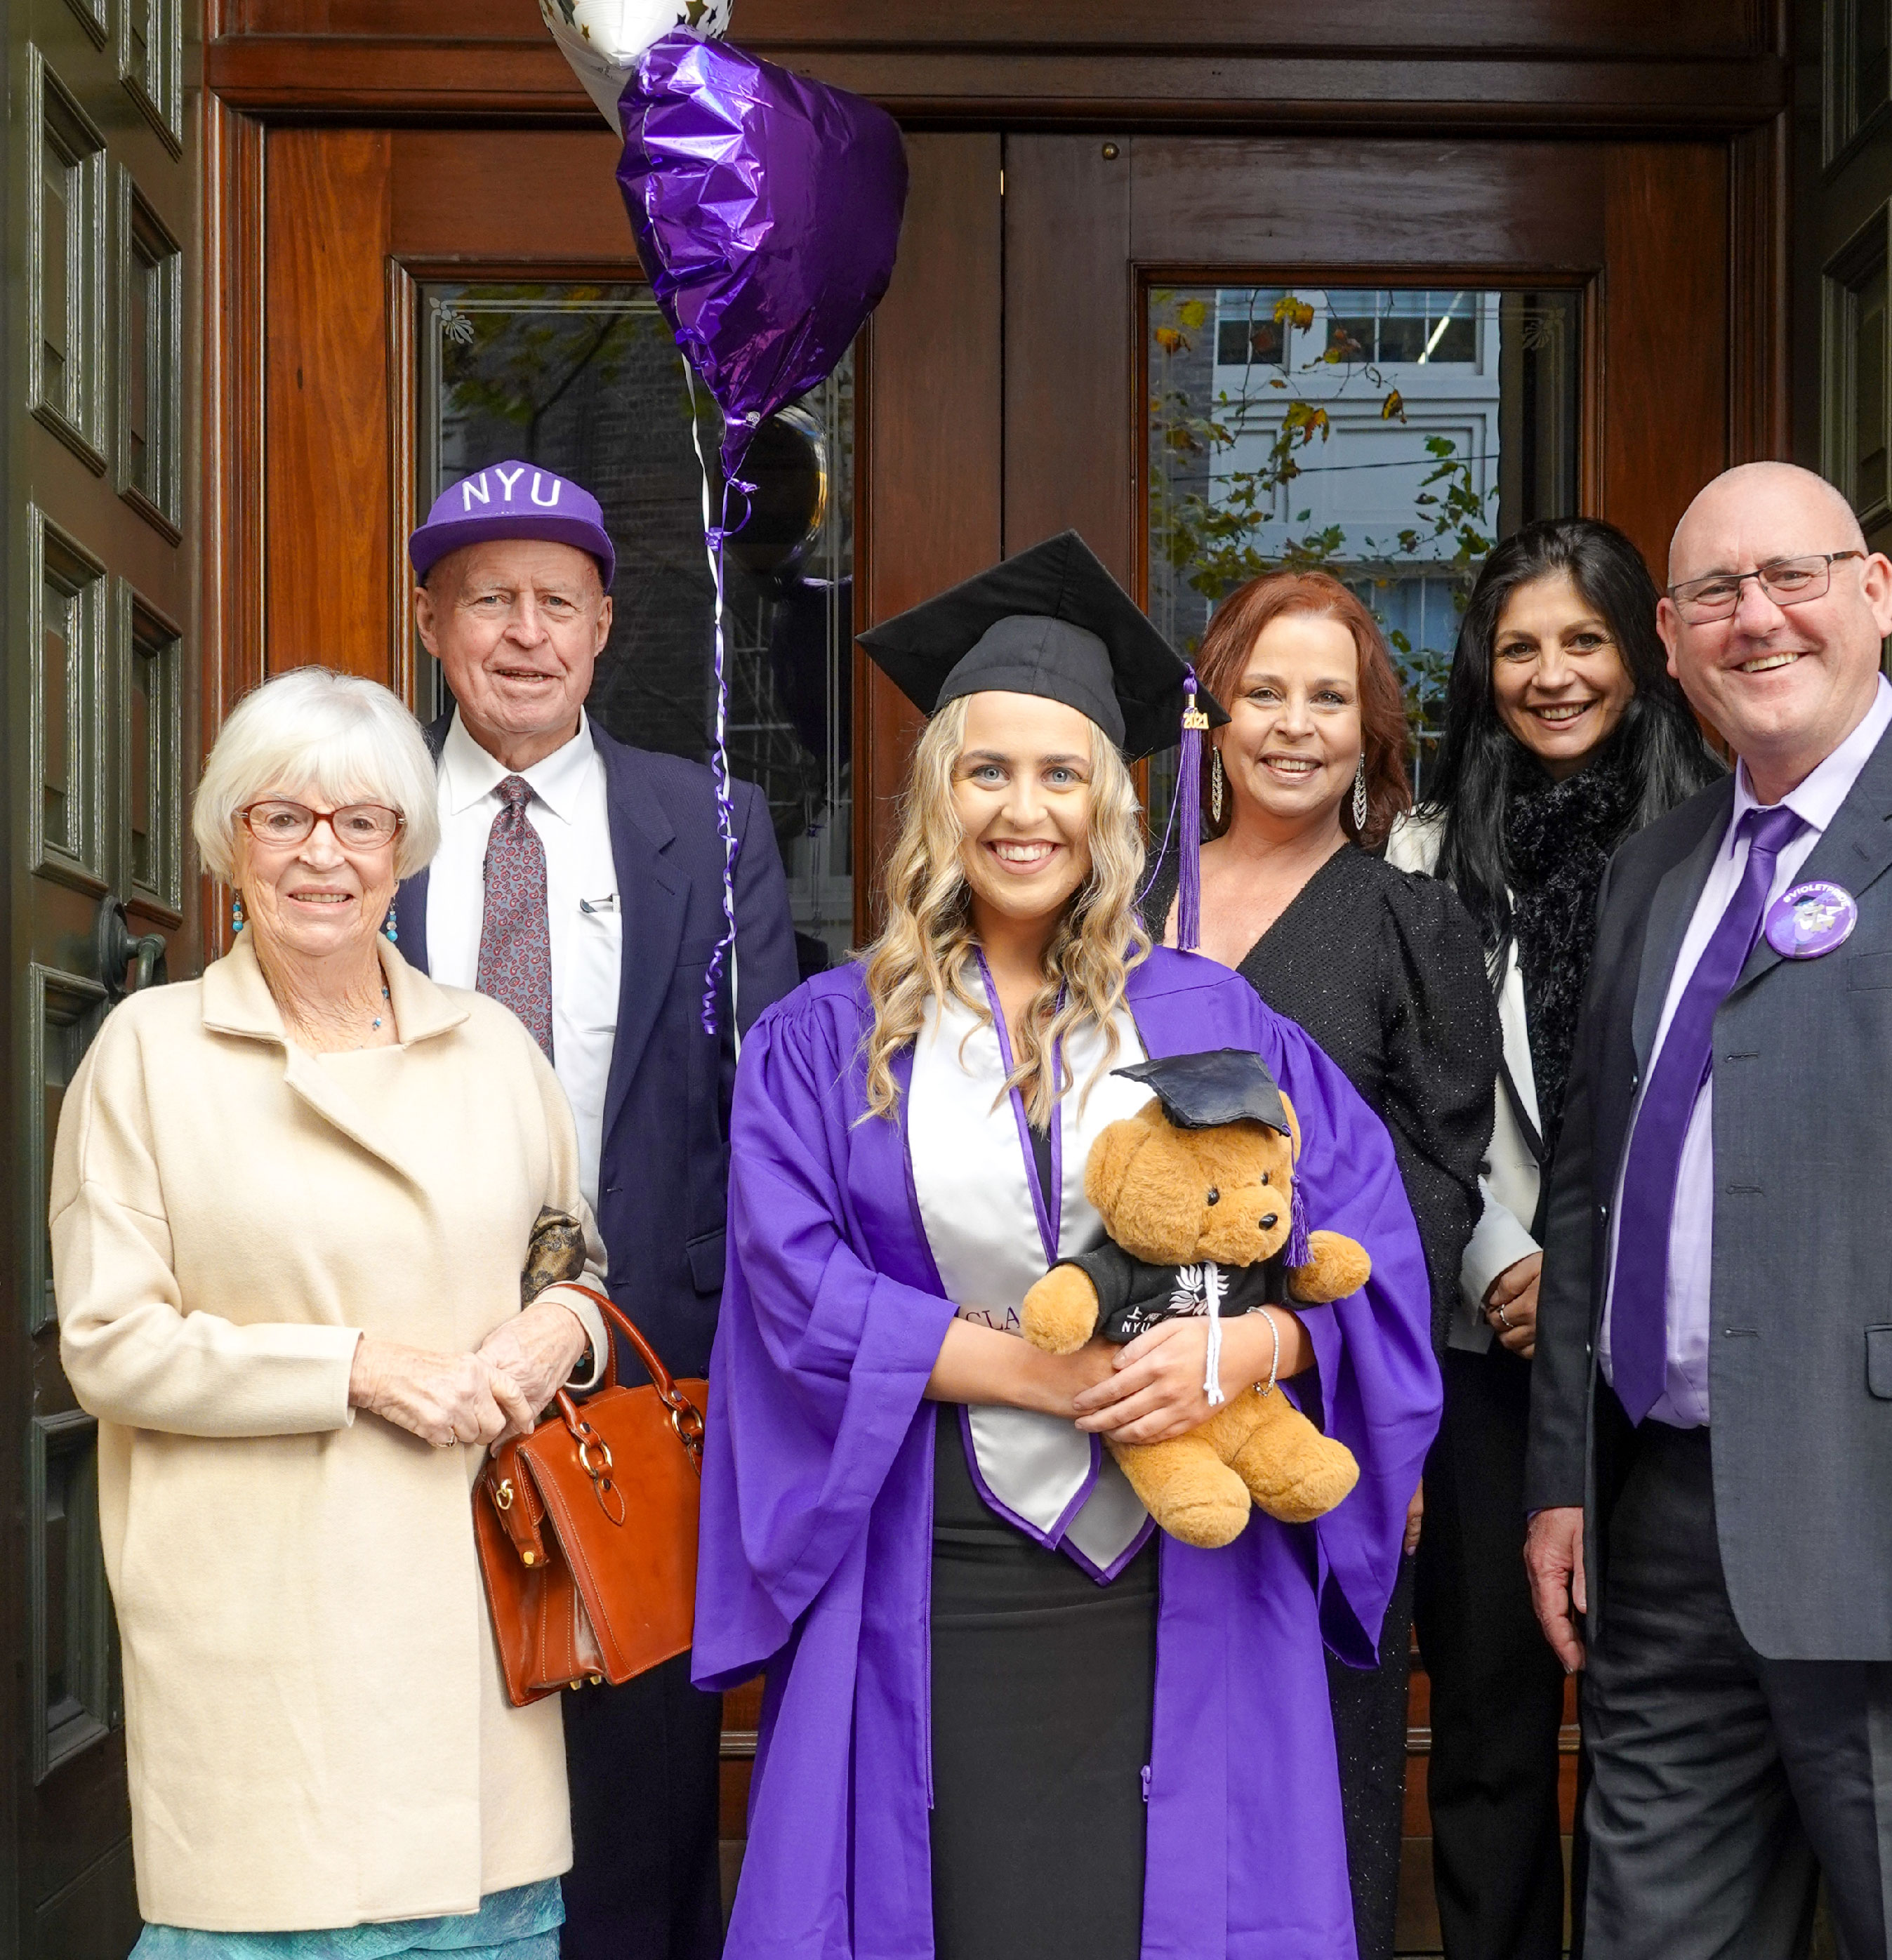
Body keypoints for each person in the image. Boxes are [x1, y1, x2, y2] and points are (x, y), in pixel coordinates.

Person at [694, 531, 1441, 1959]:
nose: (1022, 811)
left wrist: (1244, 1345)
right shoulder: (830, 1040)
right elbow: (794, 1288)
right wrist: (1042, 1377)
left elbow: (1367, 1258)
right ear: (939, 798)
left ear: (1109, 803)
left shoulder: (1219, 1021)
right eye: (987, 772)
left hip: (1184, 1570)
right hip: (932, 1560)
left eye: (1060, 776)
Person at [1524, 461, 1892, 1960]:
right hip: (1661, 1529)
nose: (1759, 619)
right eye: (1718, 594)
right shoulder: (1657, 868)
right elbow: (1591, 1188)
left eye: (1793, 575)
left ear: (1875, 593)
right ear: (1669, 639)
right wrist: (1561, 1471)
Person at [53, 668, 614, 1959]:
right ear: (226, 843)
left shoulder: (492, 1049)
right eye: (283, 818)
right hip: (256, 1629)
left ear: (404, 851)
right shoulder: (149, 1052)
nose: (324, 854)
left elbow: (573, 1265)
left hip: (471, 1638)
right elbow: (109, 1344)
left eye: (361, 823)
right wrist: (358, 1368)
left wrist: (563, 1331)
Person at [393, 461, 800, 1960]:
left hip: (644, 1373)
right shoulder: (354, 826)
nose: (522, 631)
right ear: (431, 619)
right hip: (400, 1365)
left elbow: (769, 1105)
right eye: (487, 598)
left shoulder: (712, 819)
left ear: (605, 626)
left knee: (636, 1799)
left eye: (555, 600)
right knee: (413, 1760)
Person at [1138, 569, 1498, 1960]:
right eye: (1265, 691)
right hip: (1108, 1407)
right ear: (1209, 714)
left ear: (1371, 731)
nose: (1295, 726)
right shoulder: (1120, 894)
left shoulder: (1413, 929)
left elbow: (1433, 1195)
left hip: (1308, 1416)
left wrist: (1283, 1339)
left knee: (1301, 1774)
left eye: (1330, 698)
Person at [1384, 519, 1719, 1960]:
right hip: (1492, 1346)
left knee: (1670, 1732)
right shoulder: (1418, 844)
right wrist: (1500, 1257)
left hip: (1669, 1351)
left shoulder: (1721, 827)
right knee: (1494, 1727)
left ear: (1639, 651)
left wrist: (1606, 1271)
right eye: (1519, 646)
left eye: (1583, 640)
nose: (1553, 673)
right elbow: (1395, 1096)